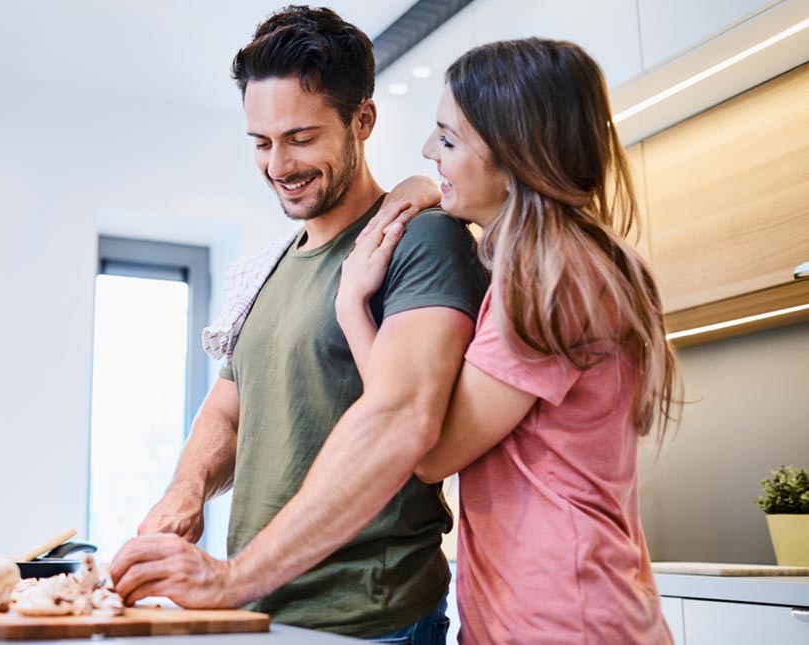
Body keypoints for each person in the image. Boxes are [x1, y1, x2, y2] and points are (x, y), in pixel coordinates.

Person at [109, 6, 488, 641]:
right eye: (261, 143)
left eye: (301, 138)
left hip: (369, 619)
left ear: (362, 120)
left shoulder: (420, 239)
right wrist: (187, 490)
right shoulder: (268, 268)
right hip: (263, 612)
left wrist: (230, 580)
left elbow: (405, 421)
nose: (278, 165)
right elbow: (230, 408)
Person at [337, 38, 683, 643]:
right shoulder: (568, 265)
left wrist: (352, 309)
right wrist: (434, 187)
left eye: (447, 139)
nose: (427, 150)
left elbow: (427, 450)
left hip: (560, 621)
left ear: (513, 157)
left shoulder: (549, 281)